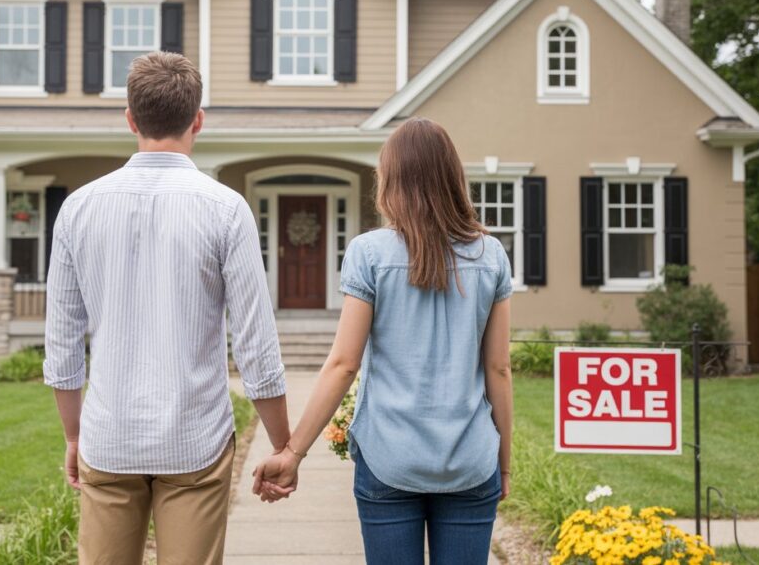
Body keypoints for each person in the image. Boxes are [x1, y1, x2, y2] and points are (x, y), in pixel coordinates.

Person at [43, 51, 290, 565]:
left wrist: (74, 434)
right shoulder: (226, 209)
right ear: (197, 120)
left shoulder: (78, 209)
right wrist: (283, 445)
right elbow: (255, 344)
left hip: (108, 437)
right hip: (194, 438)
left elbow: (63, 344)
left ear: (130, 119)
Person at [253, 117, 514, 565]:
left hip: (388, 460)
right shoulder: (490, 255)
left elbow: (343, 364)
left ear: (390, 179)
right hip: (471, 461)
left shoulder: (369, 253)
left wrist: (294, 451)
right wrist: (502, 463)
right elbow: (499, 369)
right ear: (452, 177)